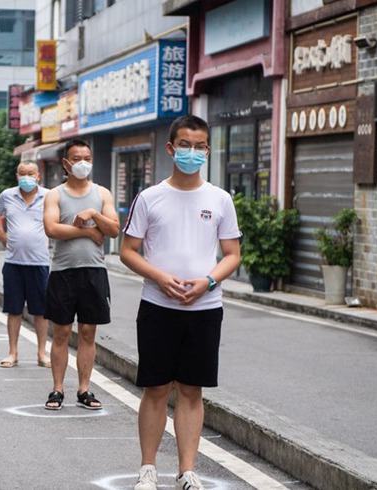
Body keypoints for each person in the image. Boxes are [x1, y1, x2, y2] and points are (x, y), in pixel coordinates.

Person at [120, 116, 241, 490]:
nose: (192, 152)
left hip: (205, 309)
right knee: (156, 388)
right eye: (184, 145)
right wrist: (159, 277)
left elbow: (232, 254)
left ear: (208, 150)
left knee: (191, 390)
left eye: (199, 145)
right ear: (171, 148)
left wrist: (208, 281)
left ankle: (188, 471)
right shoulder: (150, 197)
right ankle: (148, 469)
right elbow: (127, 250)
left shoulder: (220, 199)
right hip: (157, 307)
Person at [43, 138, 119, 411]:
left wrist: (92, 215)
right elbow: (52, 229)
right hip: (63, 272)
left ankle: (84, 389)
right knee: (61, 332)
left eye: (87, 158)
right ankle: (57, 389)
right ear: (66, 163)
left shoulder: (101, 194)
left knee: (88, 332)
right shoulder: (55, 194)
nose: (82, 163)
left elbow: (113, 229)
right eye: (76, 159)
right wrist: (88, 232)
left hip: (94, 271)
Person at [0, 161, 51, 368]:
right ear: (17, 176)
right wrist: (0, 234)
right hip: (13, 262)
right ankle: (13, 352)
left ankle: (42, 353)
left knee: (41, 311)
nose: (26, 177)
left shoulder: (49, 196)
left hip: (40, 262)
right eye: (22, 173)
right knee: (13, 310)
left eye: (30, 173)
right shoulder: (7, 195)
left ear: (38, 175)